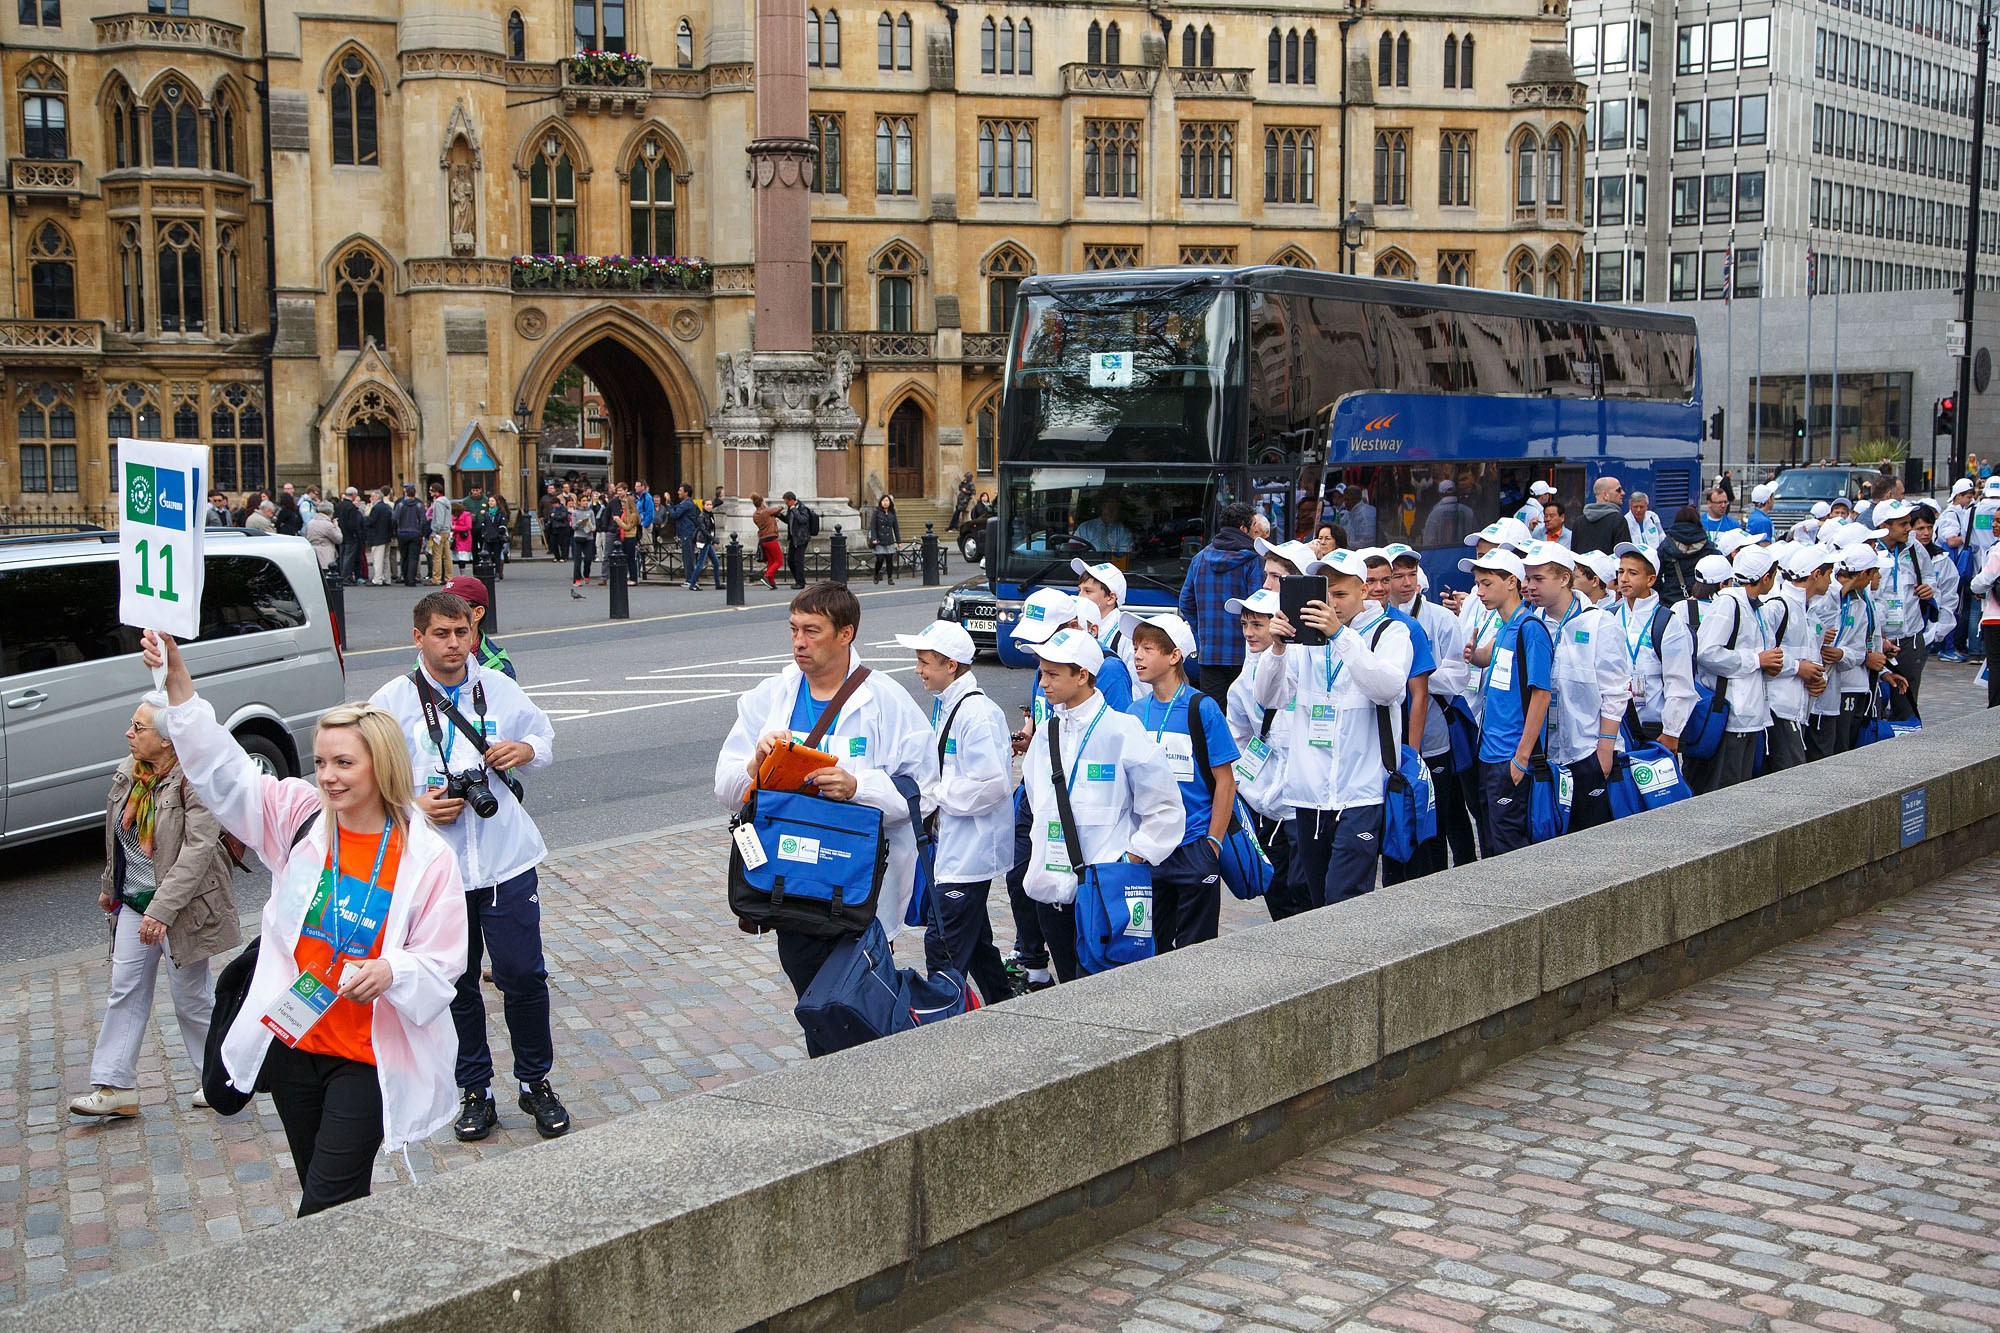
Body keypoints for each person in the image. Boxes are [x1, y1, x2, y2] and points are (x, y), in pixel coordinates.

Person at [142, 630, 466, 1218]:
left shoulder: (426, 856)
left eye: (345, 763)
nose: (328, 776)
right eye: (320, 762)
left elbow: (445, 958)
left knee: (322, 1203)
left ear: (381, 766)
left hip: (366, 1055)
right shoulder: (301, 817)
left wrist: (393, 970)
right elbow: (225, 773)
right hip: (294, 1041)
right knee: (332, 1201)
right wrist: (178, 683)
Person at [370, 591, 567, 1142]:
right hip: (436, 871)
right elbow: (369, 783)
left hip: (507, 860)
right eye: (441, 634)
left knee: (523, 976)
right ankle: (474, 1090)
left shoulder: (498, 687)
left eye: (462, 633)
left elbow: (544, 738)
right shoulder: (391, 701)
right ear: (419, 637)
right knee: (456, 984)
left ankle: (535, 1081)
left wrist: (525, 750)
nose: (454, 644)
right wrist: (415, 808)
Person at [714, 582, 934, 995]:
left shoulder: (886, 700)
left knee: (855, 1004)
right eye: (794, 629)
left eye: (812, 631)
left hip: (858, 892)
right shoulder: (770, 697)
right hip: (791, 887)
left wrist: (857, 787)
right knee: (810, 997)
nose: (799, 642)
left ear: (845, 633)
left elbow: (924, 794)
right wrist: (756, 766)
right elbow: (726, 790)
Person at [69, 693, 242, 1120]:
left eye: (138, 727)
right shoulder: (130, 770)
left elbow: (197, 853)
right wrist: (110, 886)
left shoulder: (195, 778)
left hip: (185, 908)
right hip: (134, 901)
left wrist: (161, 911)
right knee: (124, 989)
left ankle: (219, 1082)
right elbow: (117, 839)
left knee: (191, 999)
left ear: (167, 739)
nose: (128, 733)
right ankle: (115, 1087)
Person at [1018, 628, 1183, 982]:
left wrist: (1131, 858)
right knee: (1069, 987)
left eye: (1052, 674)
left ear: (1082, 675)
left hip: (1104, 891)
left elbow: (1165, 807)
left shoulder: (1122, 730)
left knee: (1107, 988)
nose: (1043, 683)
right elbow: (1037, 800)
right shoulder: (1047, 732)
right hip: (1052, 891)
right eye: (1042, 673)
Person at [1258, 551, 1410, 904]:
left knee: (1346, 898)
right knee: (1315, 899)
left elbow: (1388, 689)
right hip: (1308, 792)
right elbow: (1269, 697)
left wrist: (1340, 635)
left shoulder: (1390, 631)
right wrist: (1277, 648)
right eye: (1326, 594)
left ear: (1364, 591)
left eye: (1340, 594)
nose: (1331, 604)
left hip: (1360, 791)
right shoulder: (1306, 637)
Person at [897, 620, 1015, 1006]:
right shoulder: (949, 704)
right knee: (976, 943)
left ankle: (942, 1017)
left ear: (951, 665)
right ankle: (1003, 1003)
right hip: (953, 846)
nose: (918, 669)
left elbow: (993, 785)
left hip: (967, 852)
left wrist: (936, 793)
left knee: (943, 945)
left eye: (924, 661)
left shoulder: (977, 713)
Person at [1122, 612, 1236, 951]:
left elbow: (1225, 782)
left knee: (1195, 952)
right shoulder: (1134, 712)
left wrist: (1212, 844)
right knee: (1149, 949)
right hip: (1149, 849)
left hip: (1194, 844)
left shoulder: (1202, 708)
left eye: (1148, 649)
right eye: (1136, 648)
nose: (1137, 656)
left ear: (1174, 656)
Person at [1521, 541, 1626, 833]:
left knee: (1591, 837)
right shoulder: (1530, 624)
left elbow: (1615, 691)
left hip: (1586, 752)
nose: (1530, 586)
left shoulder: (1599, 623)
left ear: (1564, 578)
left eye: (1538, 578)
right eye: (1527, 578)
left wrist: (1605, 748)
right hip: (1544, 756)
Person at [1385, 545, 1472, 870]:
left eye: (1411, 574)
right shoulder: (1374, 620)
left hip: (1433, 738)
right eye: (1398, 576)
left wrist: (1417, 677)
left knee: (1437, 822)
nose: (1407, 582)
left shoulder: (1441, 618)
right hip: (1388, 742)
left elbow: (1458, 676)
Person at [1224, 588, 1308, 921]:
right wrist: (1249, 785)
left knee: (1303, 885)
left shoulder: (1304, 666)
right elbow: (1237, 739)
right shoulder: (1242, 683)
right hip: (1265, 804)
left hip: (1303, 800)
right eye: (1245, 624)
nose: (1249, 632)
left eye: (1258, 625)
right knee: (1276, 886)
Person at [1465, 549, 1553, 856]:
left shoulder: (1530, 629)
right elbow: (1488, 657)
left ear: (1512, 582)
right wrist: (1474, 655)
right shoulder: (1504, 627)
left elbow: (1541, 695)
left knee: (1510, 850)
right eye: (1478, 584)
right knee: (1490, 846)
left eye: (1487, 584)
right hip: (1489, 755)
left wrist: (1521, 759)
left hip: (1511, 758)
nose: (1480, 592)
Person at [1696, 544, 1782, 789]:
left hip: (1752, 713)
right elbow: (1706, 652)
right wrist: (1756, 660)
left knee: (1742, 785)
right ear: (1766, 577)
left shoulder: (1756, 607)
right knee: (1727, 786)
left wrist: (1770, 665)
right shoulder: (1728, 603)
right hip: (1731, 713)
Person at [1176, 500, 1263, 705]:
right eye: (1253, 527)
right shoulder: (1253, 560)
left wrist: (1203, 630)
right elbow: (1259, 605)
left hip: (1210, 654)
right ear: (1243, 528)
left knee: (1213, 715)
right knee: (1245, 715)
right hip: (1245, 652)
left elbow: (1185, 602)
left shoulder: (1199, 558)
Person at [1613, 542, 1697, 753]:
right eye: (1621, 571)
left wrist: (1671, 731)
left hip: (1653, 729)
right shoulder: (1609, 615)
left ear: (1650, 579)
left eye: (1632, 573)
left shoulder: (1667, 622)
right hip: (1613, 726)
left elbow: (1679, 681)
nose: (1624, 579)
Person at [1766, 546, 1834, 772]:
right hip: (1778, 708)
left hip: (1799, 709)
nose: (1831, 581)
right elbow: (1762, 656)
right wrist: (1797, 668)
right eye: (1829, 574)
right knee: (1791, 775)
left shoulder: (1810, 610)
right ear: (1816, 574)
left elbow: (1812, 659)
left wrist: (1820, 678)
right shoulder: (1778, 606)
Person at [1873, 498, 1934, 720]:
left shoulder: (1915, 548)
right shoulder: (1869, 552)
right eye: (1903, 524)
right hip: (1877, 641)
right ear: (1884, 526)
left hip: (1910, 638)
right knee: (1874, 707)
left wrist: (1929, 588)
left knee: (1907, 704)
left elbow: (1929, 576)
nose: (1910, 528)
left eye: (1909, 522)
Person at [436, 575, 517, 679]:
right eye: (442, 606)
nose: (444, 612)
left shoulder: (499, 667)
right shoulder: (429, 653)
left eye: (454, 607)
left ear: (478, 613)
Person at [1657, 505, 1714, 603]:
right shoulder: (1709, 547)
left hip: (1670, 601)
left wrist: (1664, 594)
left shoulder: (1665, 546)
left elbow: (1656, 576)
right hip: (1701, 601)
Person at [1971, 535, 2000, 706]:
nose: (1994, 524)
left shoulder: (1998, 550)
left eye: (1998, 522)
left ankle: (1995, 710)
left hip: (1995, 619)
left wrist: (1974, 586)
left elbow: (1983, 581)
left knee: (1996, 666)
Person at [1572, 476, 1630, 554]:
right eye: (1618, 490)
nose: (1623, 493)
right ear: (1605, 495)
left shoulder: (1579, 522)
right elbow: (1625, 555)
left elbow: (1574, 554)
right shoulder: (1618, 520)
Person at [665, 483, 702, 590]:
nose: (678, 492)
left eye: (680, 490)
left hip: (687, 533)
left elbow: (675, 514)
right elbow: (675, 508)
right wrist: (669, 502)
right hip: (686, 532)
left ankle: (691, 580)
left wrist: (668, 505)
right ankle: (691, 579)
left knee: (688, 557)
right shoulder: (685, 503)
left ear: (686, 493)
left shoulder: (687, 504)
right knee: (688, 556)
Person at [393, 484, 428, 586]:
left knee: (404, 557)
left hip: (402, 533)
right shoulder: (419, 505)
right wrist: (422, 532)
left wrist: (396, 531)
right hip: (415, 533)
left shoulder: (400, 505)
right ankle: (411, 579)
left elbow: (394, 519)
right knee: (414, 557)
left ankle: (405, 577)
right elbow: (423, 520)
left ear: (405, 493)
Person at [1422, 478, 1475, 547]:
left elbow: (1428, 540)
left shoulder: (1434, 513)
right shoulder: (1468, 511)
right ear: (1455, 492)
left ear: (1440, 494)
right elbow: (1475, 535)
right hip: (1465, 551)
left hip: (1440, 552)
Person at [751, 493, 785, 589]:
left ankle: (771, 582)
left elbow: (765, 523)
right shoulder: (766, 511)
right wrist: (782, 506)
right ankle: (766, 577)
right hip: (771, 539)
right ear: (762, 502)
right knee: (779, 560)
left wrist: (772, 521)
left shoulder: (755, 515)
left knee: (771, 561)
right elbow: (779, 508)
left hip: (763, 540)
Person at [364, 488, 395, 586]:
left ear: (377, 497)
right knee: (385, 559)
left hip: (377, 536)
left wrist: (365, 518)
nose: (370, 498)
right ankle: (386, 578)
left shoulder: (376, 508)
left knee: (377, 559)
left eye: (372, 496)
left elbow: (371, 521)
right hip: (387, 536)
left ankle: (377, 579)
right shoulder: (387, 507)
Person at [869, 493, 902, 585]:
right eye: (883, 501)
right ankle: (876, 574)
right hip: (879, 540)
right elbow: (873, 527)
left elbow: (896, 528)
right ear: (881, 502)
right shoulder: (876, 512)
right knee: (879, 559)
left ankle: (890, 578)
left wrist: (899, 541)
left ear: (890, 502)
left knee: (889, 560)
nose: (885, 503)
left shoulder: (892, 513)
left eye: (887, 501)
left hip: (889, 540)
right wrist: (874, 538)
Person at [783, 491, 814, 589]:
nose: (786, 505)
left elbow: (802, 519)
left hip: (802, 538)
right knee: (790, 560)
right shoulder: (791, 509)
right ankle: (798, 580)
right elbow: (788, 520)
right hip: (794, 538)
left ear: (792, 500)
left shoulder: (802, 508)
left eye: (787, 502)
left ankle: (800, 583)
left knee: (798, 561)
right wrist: (778, 515)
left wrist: (793, 509)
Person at [569, 490, 597, 597]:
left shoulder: (591, 512)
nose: (585, 502)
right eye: (583, 501)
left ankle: (586, 574)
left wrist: (592, 528)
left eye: (586, 500)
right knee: (577, 559)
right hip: (578, 537)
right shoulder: (575, 512)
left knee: (588, 558)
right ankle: (577, 579)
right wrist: (580, 523)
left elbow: (594, 524)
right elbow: (573, 526)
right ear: (579, 502)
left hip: (589, 537)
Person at [335, 487, 365, 585]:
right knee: (348, 557)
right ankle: (346, 577)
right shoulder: (351, 507)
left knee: (342, 556)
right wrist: (356, 534)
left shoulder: (339, 505)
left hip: (340, 534)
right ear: (353, 495)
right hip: (350, 536)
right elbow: (353, 524)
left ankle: (342, 576)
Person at [428, 483, 454, 586]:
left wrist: (434, 531)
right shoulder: (446, 501)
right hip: (447, 530)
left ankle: (436, 578)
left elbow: (439, 519)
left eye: (431, 490)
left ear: (436, 491)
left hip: (439, 532)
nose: (430, 492)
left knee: (437, 556)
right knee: (447, 556)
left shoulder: (438, 502)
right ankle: (449, 577)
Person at [305, 506, 341, 570]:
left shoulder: (310, 523)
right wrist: (336, 527)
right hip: (325, 555)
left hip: (312, 555)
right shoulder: (328, 525)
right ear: (330, 513)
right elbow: (339, 539)